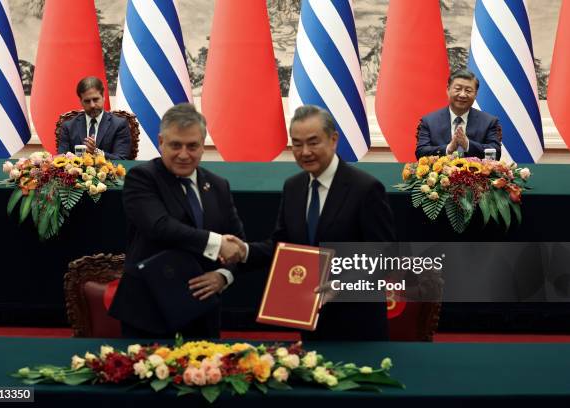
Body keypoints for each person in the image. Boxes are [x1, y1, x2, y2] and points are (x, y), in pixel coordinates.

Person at [230, 105, 396, 341]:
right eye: (297, 144)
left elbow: (384, 256)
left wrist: (342, 285)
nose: (305, 151)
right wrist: (243, 251)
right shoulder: (293, 187)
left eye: (313, 142)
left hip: (357, 323)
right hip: (309, 322)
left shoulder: (365, 189)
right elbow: (282, 245)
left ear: (333, 140)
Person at [109, 103, 245, 338]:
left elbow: (237, 243)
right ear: (161, 142)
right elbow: (160, 227)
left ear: (203, 146)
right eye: (175, 145)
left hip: (202, 313)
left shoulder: (218, 185)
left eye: (192, 146)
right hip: (148, 312)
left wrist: (223, 276)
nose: (184, 154)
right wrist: (216, 243)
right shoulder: (142, 178)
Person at [416, 69, 502, 159]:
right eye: (458, 89)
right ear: (448, 90)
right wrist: (447, 149)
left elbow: (496, 153)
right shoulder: (429, 121)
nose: (462, 95)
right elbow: (421, 153)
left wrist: (467, 144)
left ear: (476, 94)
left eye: (468, 90)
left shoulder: (489, 122)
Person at [58, 76, 132, 160]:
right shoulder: (68, 126)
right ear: (81, 101)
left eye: (95, 99)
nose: (92, 105)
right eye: (87, 101)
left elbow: (122, 159)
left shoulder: (119, 125)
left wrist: (96, 152)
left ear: (103, 97)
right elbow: (62, 159)